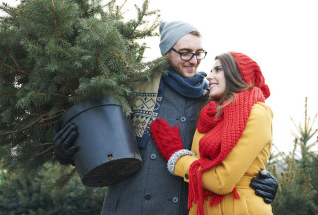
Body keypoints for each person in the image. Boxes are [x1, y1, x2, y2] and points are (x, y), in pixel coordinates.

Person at [53, 21, 278, 215]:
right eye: (185, 53)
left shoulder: (211, 103)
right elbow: (100, 140)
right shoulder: (134, 89)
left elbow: (234, 152)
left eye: (199, 53)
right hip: (128, 205)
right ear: (166, 52)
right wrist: (68, 153)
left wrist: (262, 178)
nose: (193, 60)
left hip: (180, 208)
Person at [150, 51, 275, 214]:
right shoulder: (208, 115)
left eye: (218, 70)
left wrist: (178, 158)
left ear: (237, 74)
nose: (208, 76)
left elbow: (222, 181)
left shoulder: (257, 113)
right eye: (210, 71)